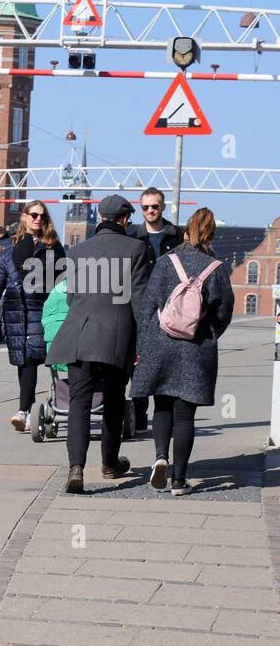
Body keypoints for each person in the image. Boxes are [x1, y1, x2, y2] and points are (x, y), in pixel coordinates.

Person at [45, 194, 154, 494]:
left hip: (78, 333)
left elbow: (70, 297)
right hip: (115, 338)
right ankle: (109, 463)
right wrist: (143, 344)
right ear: (123, 219)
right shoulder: (136, 248)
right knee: (113, 401)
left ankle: (76, 469)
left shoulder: (77, 251)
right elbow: (139, 301)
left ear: (101, 218)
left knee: (79, 401)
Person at [131, 208, 235, 495]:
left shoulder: (166, 262)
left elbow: (147, 304)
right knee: (185, 416)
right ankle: (179, 480)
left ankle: (160, 458)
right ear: (211, 234)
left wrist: (144, 343)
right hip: (195, 348)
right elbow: (223, 312)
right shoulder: (217, 269)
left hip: (159, 343)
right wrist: (208, 333)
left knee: (161, 405)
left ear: (186, 232)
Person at [0, 200, 66, 432]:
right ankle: (28, 410)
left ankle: (23, 410)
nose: (38, 219)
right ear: (24, 217)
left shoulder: (53, 247)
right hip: (15, 311)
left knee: (31, 357)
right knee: (22, 360)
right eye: (33, 214)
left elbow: (63, 280)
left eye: (42, 215)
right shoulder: (9, 246)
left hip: (41, 309)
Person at [127, 187, 185, 432]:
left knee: (167, 362)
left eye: (155, 206)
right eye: (145, 207)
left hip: (171, 308)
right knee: (138, 361)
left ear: (162, 207)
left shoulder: (178, 236)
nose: (150, 211)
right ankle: (139, 414)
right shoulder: (132, 236)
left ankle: (165, 414)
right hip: (139, 307)